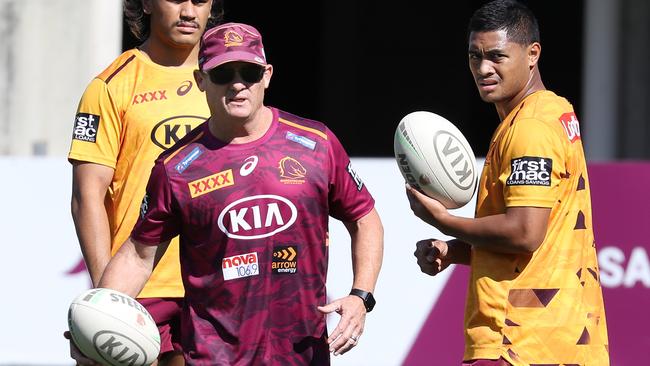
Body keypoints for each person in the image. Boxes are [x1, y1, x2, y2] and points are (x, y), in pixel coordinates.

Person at [91, 22, 384, 365]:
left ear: (267, 76)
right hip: (214, 357)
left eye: (250, 72)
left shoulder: (316, 144)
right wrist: (96, 322)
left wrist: (361, 296)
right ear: (201, 81)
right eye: (223, 74)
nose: (238, 84)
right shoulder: (176, 168)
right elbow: (139, 256)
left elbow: (364, 217)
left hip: (302, 354)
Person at [407, 1, 609, 365]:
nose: (483, 68)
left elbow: (524, 233)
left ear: (532, 54)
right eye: (474, 56)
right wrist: (453, 250)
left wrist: (440, 219)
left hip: (519, 343)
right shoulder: (555, 111)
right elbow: (537, 247)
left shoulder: (530, 128)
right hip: (566, 339)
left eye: (497, 56)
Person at [67, 1, 223, 365]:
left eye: (199, 1)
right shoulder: (110, 85)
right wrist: (108, 299)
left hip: (218, 286)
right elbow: (86, 197)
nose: (189, 12)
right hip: (141, 289)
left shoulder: (232, 79)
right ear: (148, 3)